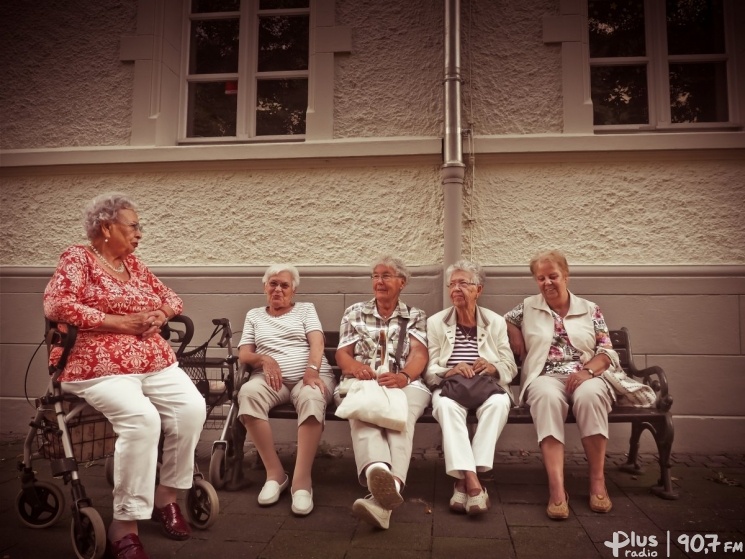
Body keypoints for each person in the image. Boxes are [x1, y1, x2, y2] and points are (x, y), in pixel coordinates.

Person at [43, 193, 206, 559]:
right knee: (143, 420)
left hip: (151, 360)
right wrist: (118, 322)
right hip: (97, 364)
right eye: (133, 226)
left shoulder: (135, 265)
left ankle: (166, 496)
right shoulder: (78, 258)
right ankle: (126, 522)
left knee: (192, 409)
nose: (140, 233)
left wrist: (160, 315)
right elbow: (56, 304)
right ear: (106, 227)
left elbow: (173, 298)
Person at [504, 249, 619, 520]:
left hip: (586, 375)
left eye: (553, 276)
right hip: (544, 376)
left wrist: (588, 371)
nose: (547, 283)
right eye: (541, 278)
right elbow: (504, 320)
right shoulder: (528, 306)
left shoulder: (590, 309)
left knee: (591, 397)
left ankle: (597, 482)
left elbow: (607, 351)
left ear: (565, 276)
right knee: (546, 398)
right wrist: (514, 331)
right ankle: (557, 489)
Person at [335, 255, 430, 530]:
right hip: (364, 381)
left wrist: (403, 376)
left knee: (402, 419)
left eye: (386, 276)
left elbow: (419, 353)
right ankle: (380, 472)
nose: (379, 281)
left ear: (402, 282)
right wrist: (356, 368)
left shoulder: (415, 315)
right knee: (362, 414)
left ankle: (385, 489)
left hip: (405, 383)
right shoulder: (354, 312)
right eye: (375, 276)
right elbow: (343, 353)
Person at [236, 265, 335, 516]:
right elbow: (245, 353)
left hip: (310, 375)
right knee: (247, 394)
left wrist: (311, 369)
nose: (278, 289)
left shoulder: (305, 309)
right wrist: (264, 359)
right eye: (273, 284)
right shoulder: (254, 315)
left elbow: (317, 342)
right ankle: (275, 474)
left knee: (312, 396)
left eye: (284, 285)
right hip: (271, 379)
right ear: (265, 287)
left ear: (294, 290)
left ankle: (302, 482)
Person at [425, 260, 517, 515]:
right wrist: (450, 370)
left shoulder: (495, 322)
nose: (456, 288)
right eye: (452, 284)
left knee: (499, 404)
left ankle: (464, 480)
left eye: (463, 283)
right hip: (451, 388)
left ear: (479, 290)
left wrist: (492, 366)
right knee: (444, 406)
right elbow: (429, 369)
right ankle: (474, 482)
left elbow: (510, 366)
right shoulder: (436, 323)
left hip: (487, 387)